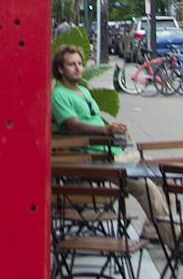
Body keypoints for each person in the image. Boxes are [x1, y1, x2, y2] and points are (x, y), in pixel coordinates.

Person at [50, 44, 172, 240]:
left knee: (163, 173)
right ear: (60, 69)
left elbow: (92, 118)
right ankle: (177, 241)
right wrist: (106, 130)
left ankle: (154, 232)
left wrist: (114, 130)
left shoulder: (83, 91)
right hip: (94, 158)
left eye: (80, 63)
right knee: (145, 186)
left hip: (112, 153)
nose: (78, 68)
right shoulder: (59, 95)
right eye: (71, 64)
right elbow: (73, 125)